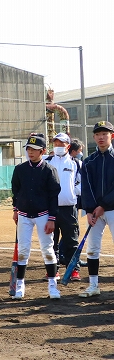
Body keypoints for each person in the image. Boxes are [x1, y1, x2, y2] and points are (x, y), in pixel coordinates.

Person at [10, 134, 62, 299]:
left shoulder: (49, 170)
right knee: (23, 251)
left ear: (43, 151)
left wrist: (52, 218)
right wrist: (15, 209)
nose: (31, 152)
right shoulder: (20, 169)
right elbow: (16, 191)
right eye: (28, 149)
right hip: (24, 215)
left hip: (43, 215)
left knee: (47, 250)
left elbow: (54, 196)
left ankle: (52, 286)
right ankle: (19, 286)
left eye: (35, 150)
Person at [78, 121, 114, 298]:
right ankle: (93, 285)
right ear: (93, 137)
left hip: (112, 209)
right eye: (98, 134)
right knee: (92, 249)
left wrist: (103, 205)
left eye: (105, 134)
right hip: (95, 212)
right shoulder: (88, 161)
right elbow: (86, 188)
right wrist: (90, 210)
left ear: (111, 136)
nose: (101, 137)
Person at [46, 132, 81, 281]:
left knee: (71, 240)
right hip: (50, 208)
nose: (58, 147)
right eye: (56, 144)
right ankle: (53, 270)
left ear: (68, 146)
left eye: (61, 144)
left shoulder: (76, 163)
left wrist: (72, 192)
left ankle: (73, 270)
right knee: (50, 241)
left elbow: (81, 183)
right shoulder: (47, 161)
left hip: (69, 208)